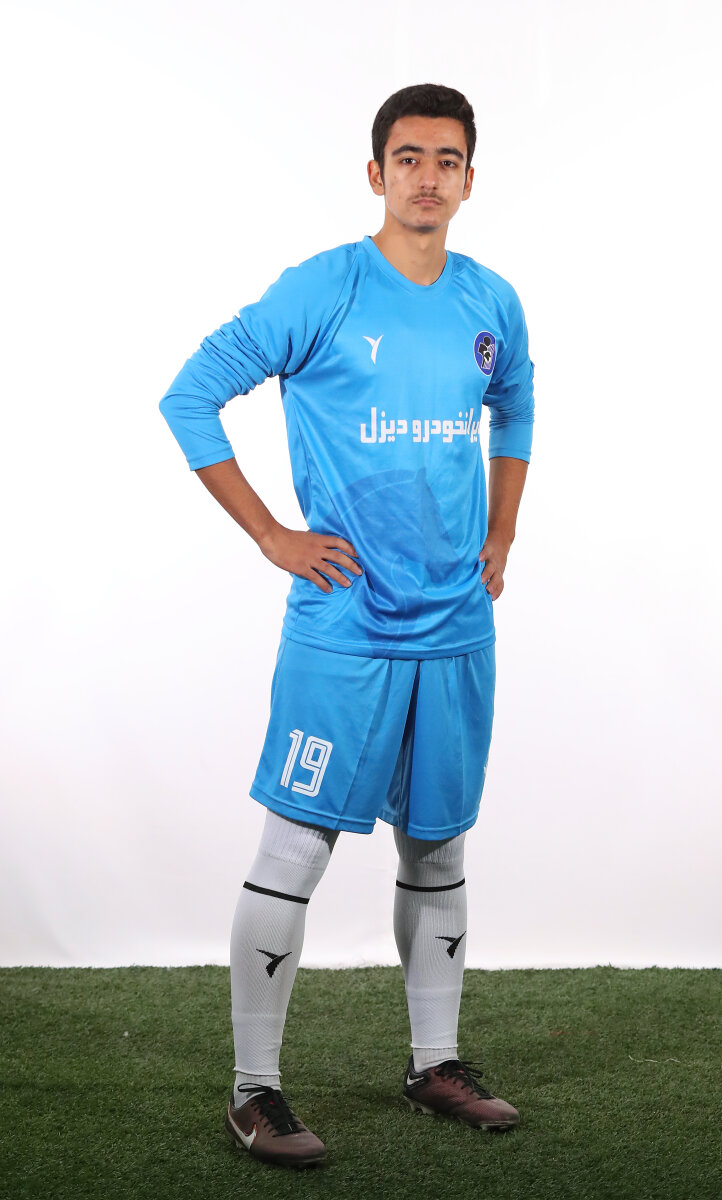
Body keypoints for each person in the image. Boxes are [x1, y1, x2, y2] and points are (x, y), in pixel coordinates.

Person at [158, 82, 534, 1170]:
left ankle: (433, 1064)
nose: (427, 177)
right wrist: (271, 534)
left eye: (447, 160)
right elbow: (190, 395)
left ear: (470, 179)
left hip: (454, 628)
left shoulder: (491, 300)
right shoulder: (322, 288)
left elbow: (515, 405)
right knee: (295, 845)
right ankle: (253, 1091)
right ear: (376, 173)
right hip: (346, 628)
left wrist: (502, 529)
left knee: (437, 843)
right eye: (408, 157)